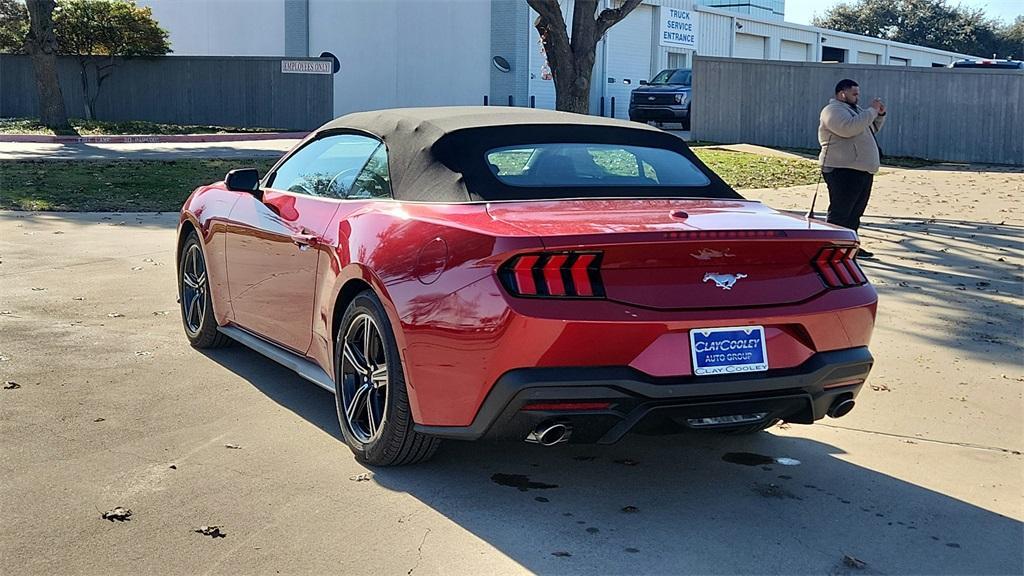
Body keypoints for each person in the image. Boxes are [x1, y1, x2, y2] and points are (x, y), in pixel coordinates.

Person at [818, 79, 886, 258]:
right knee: (841, 212)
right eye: (854, 94)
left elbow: (869, 128)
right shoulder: (832, 110)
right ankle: (831, 249)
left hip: (861, 169)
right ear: (842, 94)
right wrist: (871, 110)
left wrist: (879, 115)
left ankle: (850, 247)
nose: (858, 97)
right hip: (842, 169)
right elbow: (848, 129)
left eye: (858, 94)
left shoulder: (856, 110)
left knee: (855, 213)